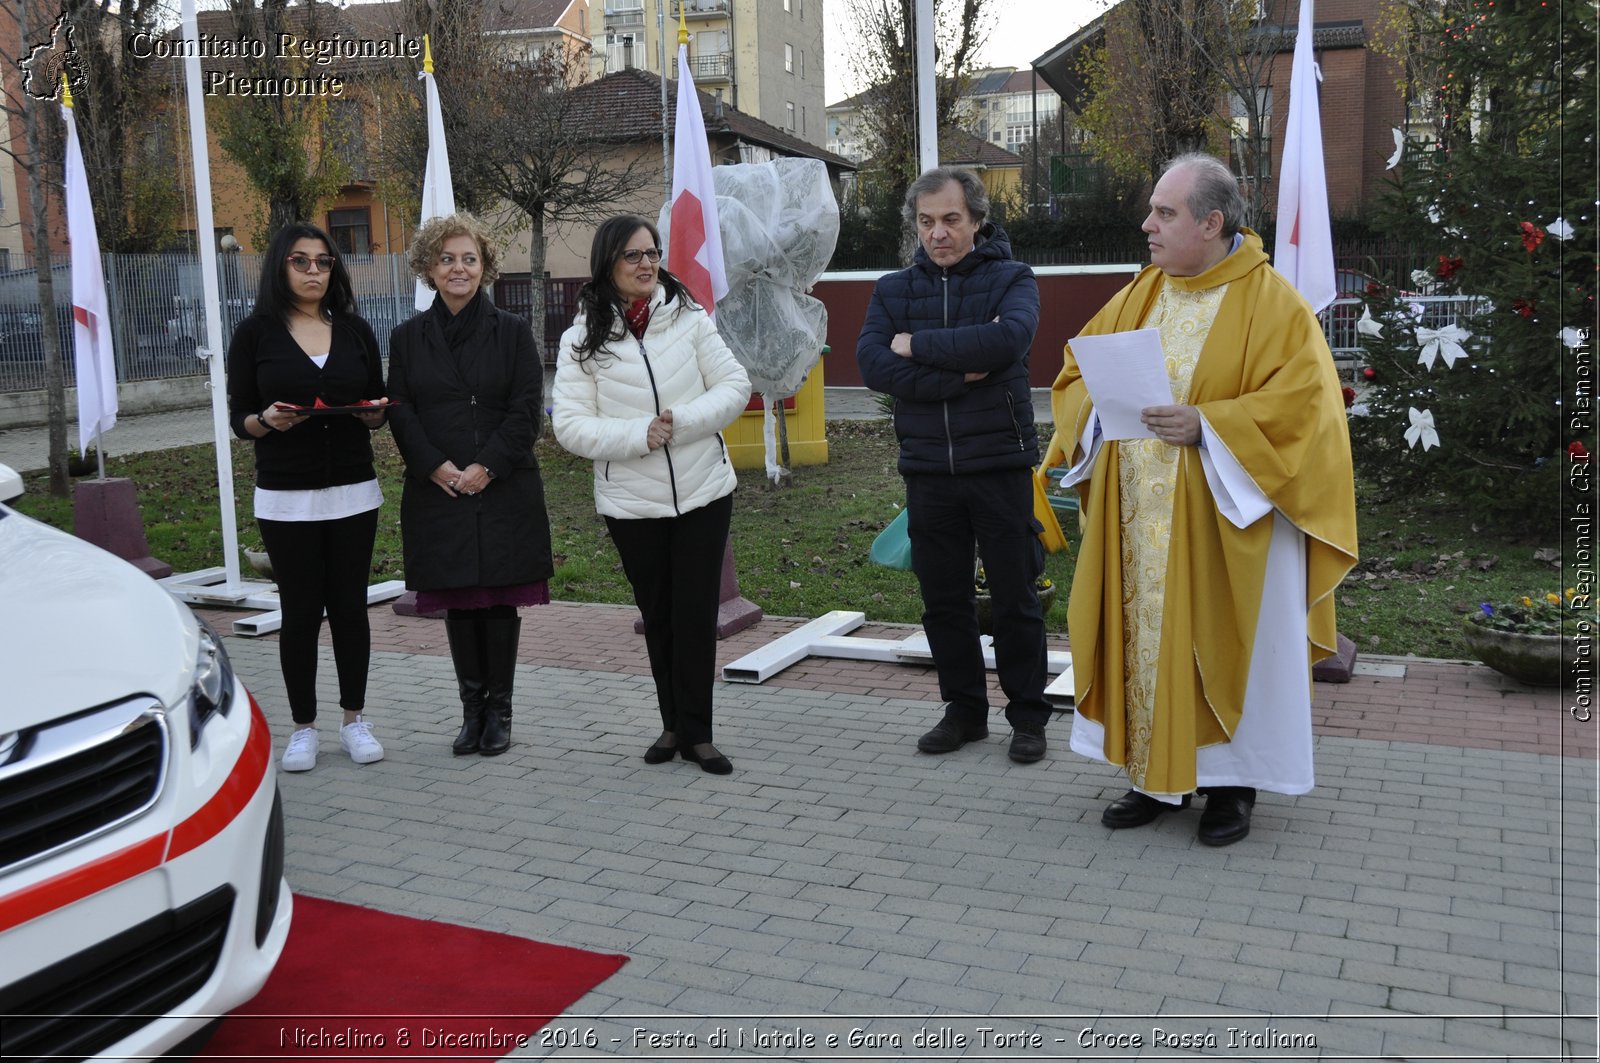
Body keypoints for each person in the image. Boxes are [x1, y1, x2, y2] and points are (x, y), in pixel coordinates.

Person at [1042, 153, 1358, 846]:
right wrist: (1100, 410)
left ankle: (1229, 785)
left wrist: (1209, 426)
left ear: (1212, 223)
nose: (1147, 223)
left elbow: (1308, 410)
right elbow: (1075, 373)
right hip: (1139, 521)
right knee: (1146, 639)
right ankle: (1154, 779)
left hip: (1229, 521)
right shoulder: (1141, 292)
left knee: (1226, 641)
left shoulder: (1275, 303)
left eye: (1165, 212)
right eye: (1153, 209)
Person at [855, 166, 1053, 765]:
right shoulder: (893, 290)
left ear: (976, 221)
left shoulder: (1012, 278)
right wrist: (955, 378)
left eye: (950, 220)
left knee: (1016, 598)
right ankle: (964, 712)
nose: (937, 233)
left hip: (998, 465)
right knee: (944, 600)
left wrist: (914, 345)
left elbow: (1006, 343)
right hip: (927, 470)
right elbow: (872, 366)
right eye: (926, 221)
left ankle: (1028, 718)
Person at [552, 215, 752, 774]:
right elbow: (568, 425)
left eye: (653, 252)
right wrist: (638, 436)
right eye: (633, 256)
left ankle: (700, 733)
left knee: (695, 615)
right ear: (608, 264)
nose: (647, 264)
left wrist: (681, 421)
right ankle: (671, 725)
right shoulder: (580, 339)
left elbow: (735, 386)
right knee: (659, 615)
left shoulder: (690, 318)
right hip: (632, 505)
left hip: (704, 493)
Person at [386, 213, 553, 757]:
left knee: (499, 601)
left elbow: (529, 410)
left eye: (469, 259)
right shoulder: (407, 338)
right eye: (447, 259)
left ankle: (500, 713)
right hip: (440, 487)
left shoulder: (511, 332)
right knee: (460, 599)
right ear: (428, 268)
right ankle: (471, 712)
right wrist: (435, 466)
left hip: (501, 486)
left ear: (485, 267)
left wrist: (487, 466)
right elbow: (401, 410)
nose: (458, 269)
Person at [227, 222, 389, 773]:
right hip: (286, 496)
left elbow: (375, 401)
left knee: (349, 609)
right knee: (300, 611)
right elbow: (239, 418)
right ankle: (302, 728)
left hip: (353, 490)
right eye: (301, 261)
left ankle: (354, 721)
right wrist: (264, 422)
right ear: (280, 267)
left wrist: (375, 415)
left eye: (323, 262)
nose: (314, 271)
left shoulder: (355, 329)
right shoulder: (255, 334)